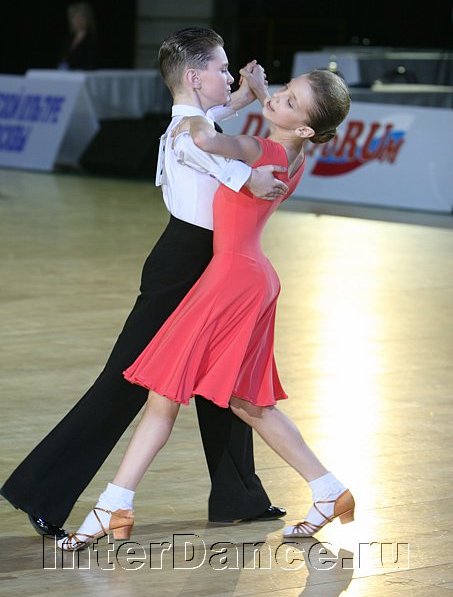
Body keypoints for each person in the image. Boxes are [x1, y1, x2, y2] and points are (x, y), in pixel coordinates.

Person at [0, 28, 289, 539]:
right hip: (183, 263)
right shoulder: (187, 130)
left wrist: (244, 96)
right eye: (222, 69)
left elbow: (211, 123)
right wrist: (250, 179)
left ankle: (238, 496)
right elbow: (200, 146)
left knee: (221, 376)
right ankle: (40, 490)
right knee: (126, 379)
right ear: (194, 77)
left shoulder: (194, 118)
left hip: (210, 258)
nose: (229, 75)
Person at [57, 65, 354, 551]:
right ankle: (328, 490)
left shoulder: (261, 149)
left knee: (167, 393)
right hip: (250, 277)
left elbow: (202, 139)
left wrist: (195, 103)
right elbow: (252, 132)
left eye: (290, 100)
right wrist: (257, 95)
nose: (278, 97)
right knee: (246, 403)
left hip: (231, 281)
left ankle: (114, 504)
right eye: (285, 88)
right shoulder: (293, 153)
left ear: (304, 128)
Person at [57, 1, 98, 71]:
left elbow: (91, 63)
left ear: (88, 19)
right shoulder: (67, 40)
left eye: (81, 17)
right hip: (66, 74)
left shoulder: (92, 39)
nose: (78, 20)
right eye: (75, 17)